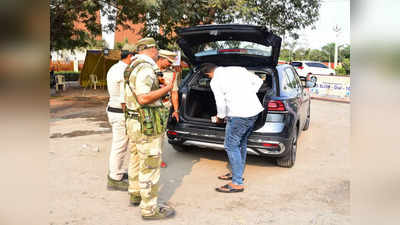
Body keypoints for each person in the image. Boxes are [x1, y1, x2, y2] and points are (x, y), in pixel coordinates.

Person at [124, 37, 176, 219]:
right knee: (150, 166)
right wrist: (167, 88)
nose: (157, 52)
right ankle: (149, 210)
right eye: (156, 49)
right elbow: (144, 98)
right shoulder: (146, 68)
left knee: (136, 158)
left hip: (134, 121)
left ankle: (135, 192)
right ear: (152, 50)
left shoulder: (132, 66)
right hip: (146, 125)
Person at [199, 63, 264, 193]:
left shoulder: (215, 81)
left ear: (208, 74)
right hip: (254, 111)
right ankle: (237, 173)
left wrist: (220, 117)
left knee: (230, 145)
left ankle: (237, 183)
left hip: (238, 115)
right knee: (241, 143)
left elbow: (220, 102)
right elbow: (258, 81)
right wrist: (249, 94)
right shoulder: (238, 69)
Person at [106, 44, 136, 191]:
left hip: (113, 110)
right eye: (134, 57)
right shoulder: (124, 71)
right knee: (120, 146)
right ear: (130, 56)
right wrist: (130, 116)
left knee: (119, 145)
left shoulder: (114, 68)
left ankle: (116, 173)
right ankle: (115, 178)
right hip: (120, 112)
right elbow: (124, 99)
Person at [156, 49, 182, 168]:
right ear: (160, 59)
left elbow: (174, 93)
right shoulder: (148, 70)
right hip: (148, 107)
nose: (170, 64)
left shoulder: (172, 74)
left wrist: (176, 110)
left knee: (160, 135)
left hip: (164, 108)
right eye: (168, 61)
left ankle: (158, 158)